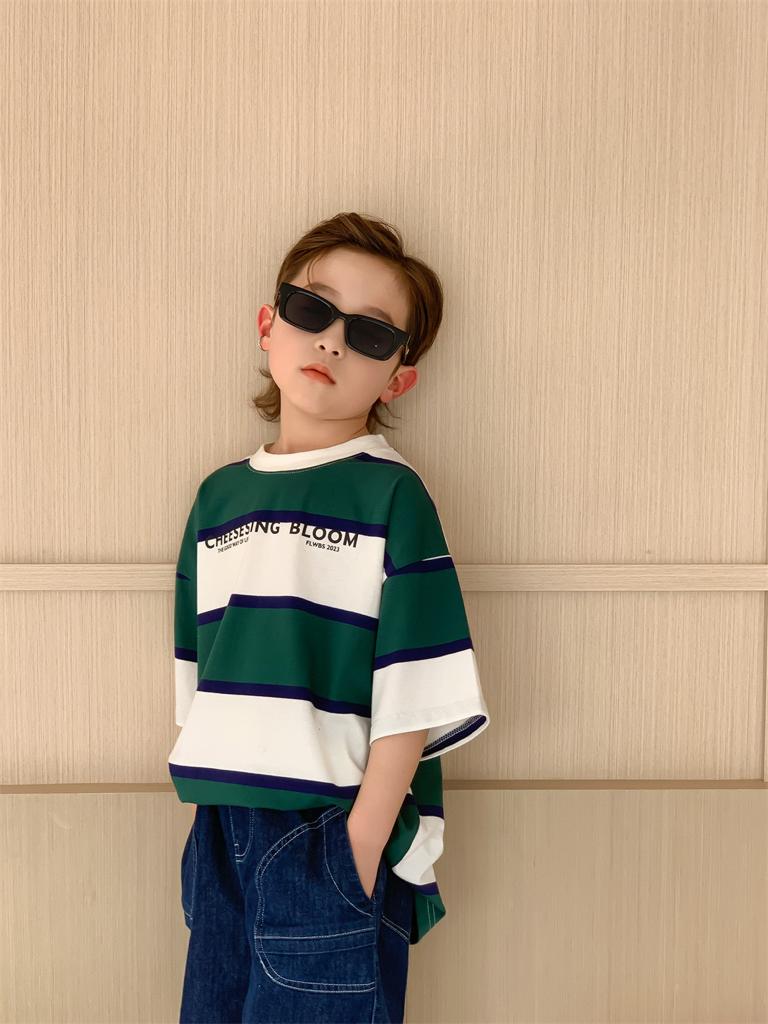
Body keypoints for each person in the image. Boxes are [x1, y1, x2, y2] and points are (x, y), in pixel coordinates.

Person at [169, 212, 491, 1023]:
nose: (332, 341)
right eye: (312, 309)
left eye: (370, 333)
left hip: (330, 829)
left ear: (397, 380)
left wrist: (360, 847)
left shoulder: (391, 495)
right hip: (221, 829)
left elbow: (416, 691)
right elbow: (197, 675)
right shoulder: (218, 498)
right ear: (268, 324)